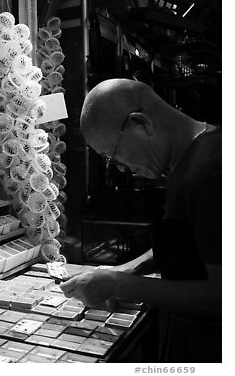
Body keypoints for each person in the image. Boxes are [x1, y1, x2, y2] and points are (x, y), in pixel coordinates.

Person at [59, 78, 221, 362]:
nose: (121, 168)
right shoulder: (187, 161)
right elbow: (189, 246)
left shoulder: (212, 170)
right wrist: (128, 269)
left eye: (114, 156)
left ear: (141, 123)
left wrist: (120, 285)